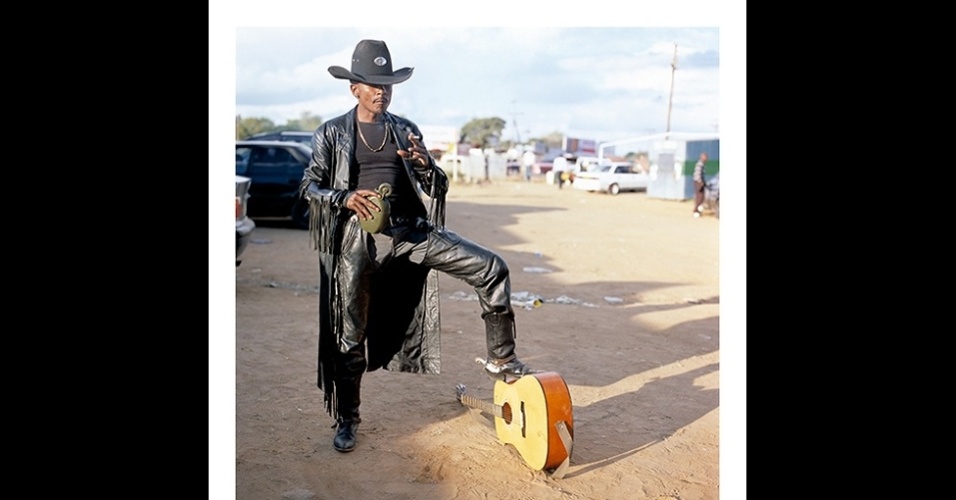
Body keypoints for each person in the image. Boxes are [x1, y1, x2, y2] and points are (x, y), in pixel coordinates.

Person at [298, 40, 535, 454]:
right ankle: (348, 418)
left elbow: (436, 186)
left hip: (411, 232)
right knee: (350, 333)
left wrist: (428, 166)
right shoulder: (331, 133)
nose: (382, 91)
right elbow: (309, 186)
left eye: (387, 84)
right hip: (358, 238)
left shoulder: (405, 129)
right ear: (355, 88)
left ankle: (502, 359)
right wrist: (345, 197)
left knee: (492, 267)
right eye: (373, 84)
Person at [692, 152, 708, 218]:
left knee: (702, 197)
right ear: (702, 157)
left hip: (700, 182)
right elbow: (697, 174)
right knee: (699, 197)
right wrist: (700, 182)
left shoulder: (702, 164)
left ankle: (698, 211)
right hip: (698, 183)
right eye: (705, 157)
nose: (706, 159)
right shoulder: (700, 165)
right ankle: (695, 211)